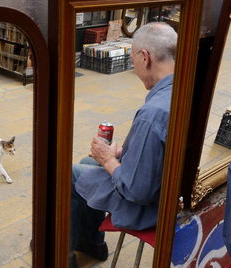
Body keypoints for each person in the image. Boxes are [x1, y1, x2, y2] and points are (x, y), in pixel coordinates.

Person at [70, 22, 177, 267]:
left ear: (145, 57)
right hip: (166, 187)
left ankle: (66, 255)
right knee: (88, 162)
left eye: (133, 60)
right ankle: (92, 242)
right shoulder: (182, 89)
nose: (134, 67)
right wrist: (120, 152)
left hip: (147, 206)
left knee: (67, 175)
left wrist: (109, 160)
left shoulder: (153, 113)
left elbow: (136, 191)